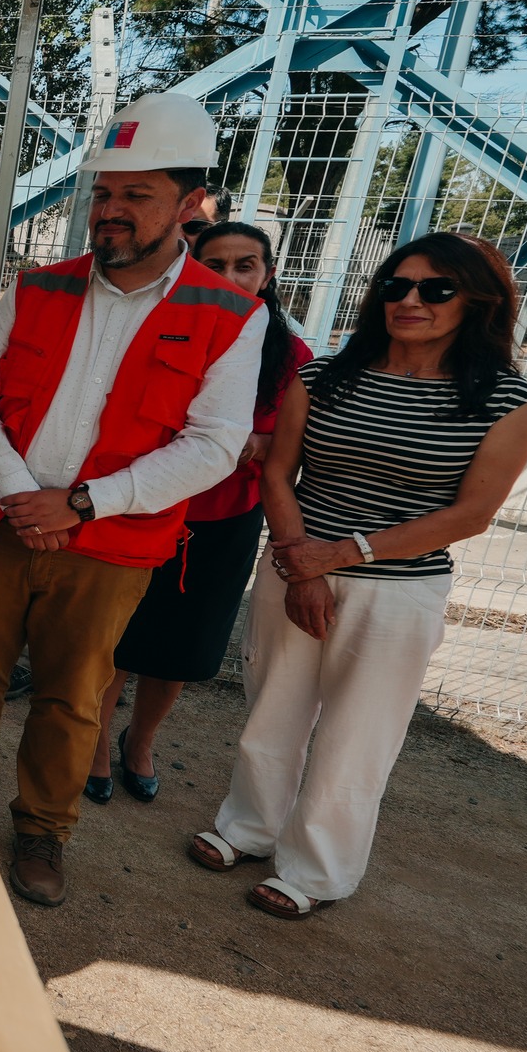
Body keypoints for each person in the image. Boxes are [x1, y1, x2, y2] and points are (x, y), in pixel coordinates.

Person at [0, 91, 267, 908]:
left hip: (109, 546)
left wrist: (82, 503)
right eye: (104, 192)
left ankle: (43, 828)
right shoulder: (39, 287)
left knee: (72, 695)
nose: (111, 210)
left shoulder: (232, 316)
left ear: (191, 205)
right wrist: (24, 495)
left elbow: (214, 445)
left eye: (137, 194)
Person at [191, 233, 527, 920]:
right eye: (396, 286)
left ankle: (317, 869)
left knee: (359, 734)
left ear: (477, 301)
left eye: (435, 288)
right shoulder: (325, 375)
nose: (410, 300)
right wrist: (301, 564)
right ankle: (249, 827)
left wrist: (338, 556)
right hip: (294, 566)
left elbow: (470, 514)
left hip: (399, 589)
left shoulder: (505, 399)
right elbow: (278, 472)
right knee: (271, 708)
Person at [86, 222, 313, 804]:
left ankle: (140, 741)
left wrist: (258, 444)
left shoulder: (292, 357)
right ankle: (95, 744)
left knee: (183, 647)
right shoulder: (160, 325)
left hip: (224, 518)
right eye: (215, 265)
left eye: (246, 265)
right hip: (139, 506)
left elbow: (293, 443)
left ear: (268, 275)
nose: (231, 277)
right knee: (116, 634)